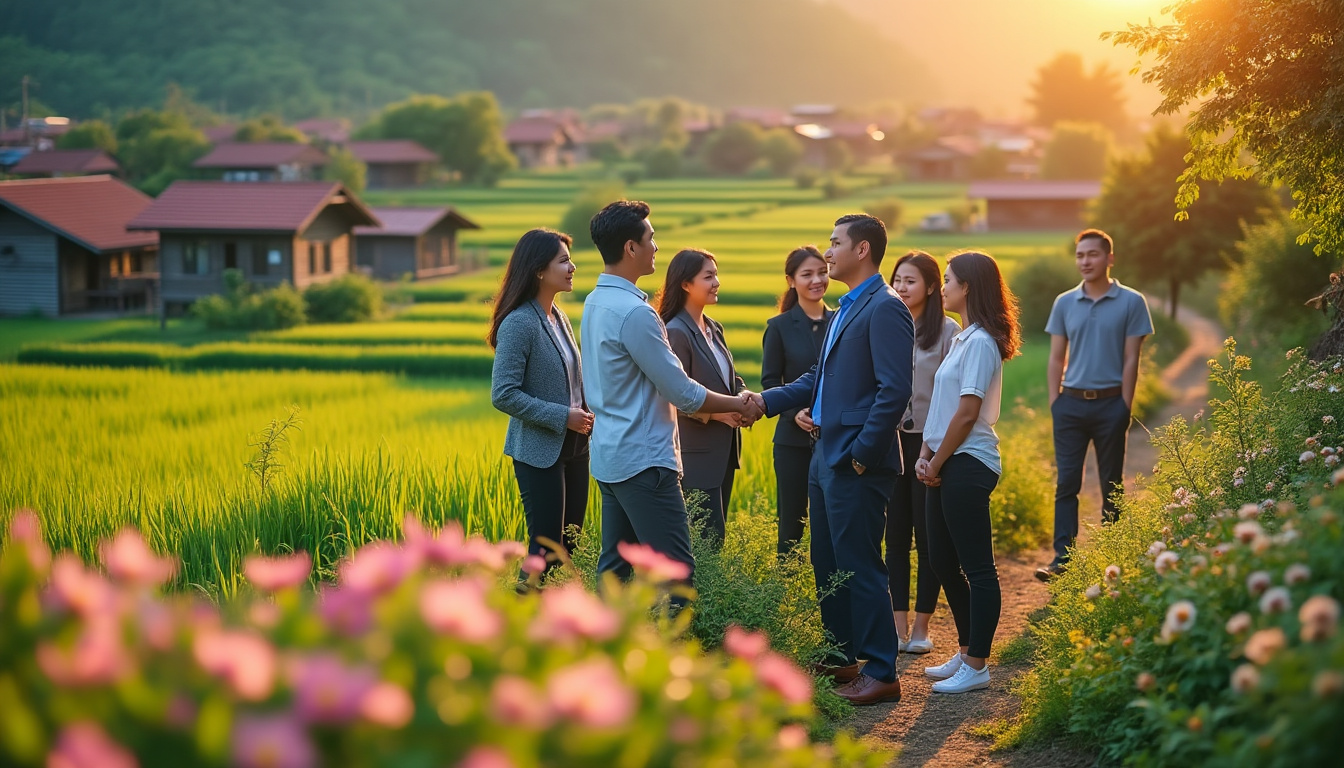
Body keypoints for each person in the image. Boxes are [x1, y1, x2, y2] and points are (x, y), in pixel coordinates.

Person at [751, 214, 914, 706]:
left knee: (860, 564)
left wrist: (862, 454)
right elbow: (815, 381)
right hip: (823, 456)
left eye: (835, 242)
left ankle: (881, 671)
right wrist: (762, 402)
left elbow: (894, 391)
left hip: (854, 460)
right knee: (828, 561)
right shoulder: (846, 307)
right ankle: (841, 655)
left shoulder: (885, 307)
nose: (827, 252)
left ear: (862, 249)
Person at [580, 200, 763, 586]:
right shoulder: (635, 313)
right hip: (645, 461)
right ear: (631, 247)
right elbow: (683, 392)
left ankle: (608, 628)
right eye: (651, 238)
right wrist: (739, 404)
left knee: (615, 570)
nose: (656, 247)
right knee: (677, 576)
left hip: (610, 456)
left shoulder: (595, 302)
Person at [916, 250, 1021, 694]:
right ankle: (966, 650)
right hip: (945, 459)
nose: (942, 287)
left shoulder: (979, 343)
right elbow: (940, 406)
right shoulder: (963, 338)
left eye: (947, 280)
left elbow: (966, 413)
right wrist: (926, 453)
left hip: (968, 461)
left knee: (977, 567)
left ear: (968, 287)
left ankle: (977, 664)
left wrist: (937, 462)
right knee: (941, 560)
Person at [1035, 229, 1153, 582]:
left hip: (1110, 405)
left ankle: (1112, 558)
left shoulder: (1132, 301)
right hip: (1069, 405)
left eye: (1093, 254)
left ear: (1109, 258)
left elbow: (1132, 358)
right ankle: (1063, 560)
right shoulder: (1064, 302)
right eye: (1080, 255)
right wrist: (1055, 402)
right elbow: (1056, 358)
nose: (1085, 261)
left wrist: (1124, 405)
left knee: (1111, 483)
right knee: (1067, 483)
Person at [489, 228, 593, 576]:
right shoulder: (519, 323)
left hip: (576, 446)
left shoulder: (558, 317)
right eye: (563, 261)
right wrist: (563, 416)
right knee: (545, 548)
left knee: (569, 543)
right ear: (538, 270)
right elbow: (503, 393)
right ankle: (522, 605)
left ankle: (546, 607)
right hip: (539, 451)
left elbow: (572, 379)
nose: (572, 267)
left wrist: (586, 409)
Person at [886, 250, 960, 655]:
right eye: (897, 279)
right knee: (895, 536)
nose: (901, 287)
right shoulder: (885, 324)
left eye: (910, 280)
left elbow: (954, 395)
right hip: (891, 440)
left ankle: (921, 628)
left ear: (932, 286)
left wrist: (936, 452)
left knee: (928, 536)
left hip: (930, 443)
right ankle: (897, 628)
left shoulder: (948, 331)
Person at [661, 248, 746, 544]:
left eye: (716, 275)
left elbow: (730, 380)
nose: (716, 282)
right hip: (695, 457)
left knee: (715, 540)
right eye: (708, 277)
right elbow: (674, 395)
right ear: (686, 284)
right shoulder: (676, 332)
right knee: (703, 543)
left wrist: (744, 396)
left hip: (723, 454)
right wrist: (719, 414)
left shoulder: (713, 327)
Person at [761, 246, 834, 554]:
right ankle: (788, 582)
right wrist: (796, 413)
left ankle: (831, 582)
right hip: (792, 441)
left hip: (835, 438)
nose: (817, 280)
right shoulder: (778, 327)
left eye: (822, 272)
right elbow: (770, 382)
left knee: (832, 521)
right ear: (791, 280)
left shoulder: (841, 321)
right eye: (807, 274)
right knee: (792, 523)